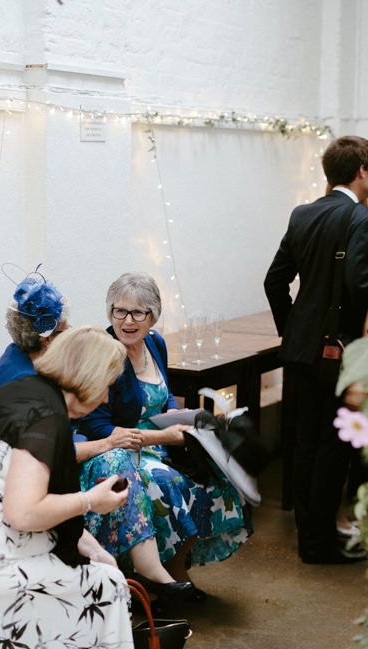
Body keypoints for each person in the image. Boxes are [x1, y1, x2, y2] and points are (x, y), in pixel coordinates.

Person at [0, 327, 136, 649]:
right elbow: (24, 512)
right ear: (88, 377)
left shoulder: (25, 395)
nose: (105, 400)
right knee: (109, 586)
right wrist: (90, 501)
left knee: (100, 571)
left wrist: (93, 547)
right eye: (106, 387)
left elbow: (25, 496)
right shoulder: (45, 416)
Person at [0, 272, 192, 599]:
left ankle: (152, 575)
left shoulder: (24, 366)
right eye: (66, 331)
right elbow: (28, 500)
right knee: (118, 464)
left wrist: (94, 550)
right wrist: (94, 489)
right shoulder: (35, 396)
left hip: (9, 489)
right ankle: (148, 576)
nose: (107, 399)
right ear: (48, 339)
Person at [75, 272, 251, 593]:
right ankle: (157, 578)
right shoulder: (103, 352)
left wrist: (172, 411)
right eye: (119, 311)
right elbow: (96, 426)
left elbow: (164, 392)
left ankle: (177, 569)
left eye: (138, 313)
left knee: (213, 478)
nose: (127, 321)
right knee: (168, 483)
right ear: (110, 312)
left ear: (153, 316)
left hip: (163, 442)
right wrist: (163, 437)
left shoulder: (155, 343)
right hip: (124, 450)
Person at [265, 135, 368, 564]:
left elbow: (274, 281)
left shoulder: (303, 213)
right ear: (362, 171)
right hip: (340, 352)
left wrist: (294, 330)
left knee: (304, 444)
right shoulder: (360, 217)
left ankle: (310, 538)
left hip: (301, 349)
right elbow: (360, 286)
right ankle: (320, 544)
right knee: (333, 448)